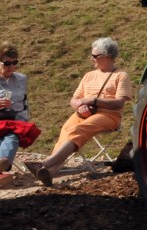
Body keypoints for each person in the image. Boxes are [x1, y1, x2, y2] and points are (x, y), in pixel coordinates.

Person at [27, 37, 132, 187]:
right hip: (84, 113)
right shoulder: (88, 75)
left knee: (79, 129)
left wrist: (92, 100)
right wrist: (79, 106)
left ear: (107, 56)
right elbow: (74, 99)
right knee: (67, 129)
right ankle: (50, 172)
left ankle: (45, 163)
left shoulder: (121, 75)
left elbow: (119, 103)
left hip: (109, 115)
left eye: (95, 56)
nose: (91, 58)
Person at [0, 44, 30, 185]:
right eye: (6, 63)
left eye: (14, 63)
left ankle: (3, 162)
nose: (11, 67)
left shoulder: (21, 79)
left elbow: (23, 103)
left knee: (12, 136)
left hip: (14, 121)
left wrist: (23, 121)